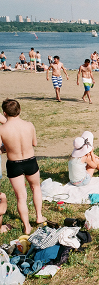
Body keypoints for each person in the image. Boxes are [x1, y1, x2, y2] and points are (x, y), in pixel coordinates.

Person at [0, 99, 46, 234]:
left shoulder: (2, 129)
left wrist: (5, 148)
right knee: (36, 187)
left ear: (4, 113)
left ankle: (26, 226)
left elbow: (1, 147)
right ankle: (38, 216)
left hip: (14, 164)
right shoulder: (29, 125)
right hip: (30, 161)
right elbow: (34, 143)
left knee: (21, 197)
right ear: (19, 110)